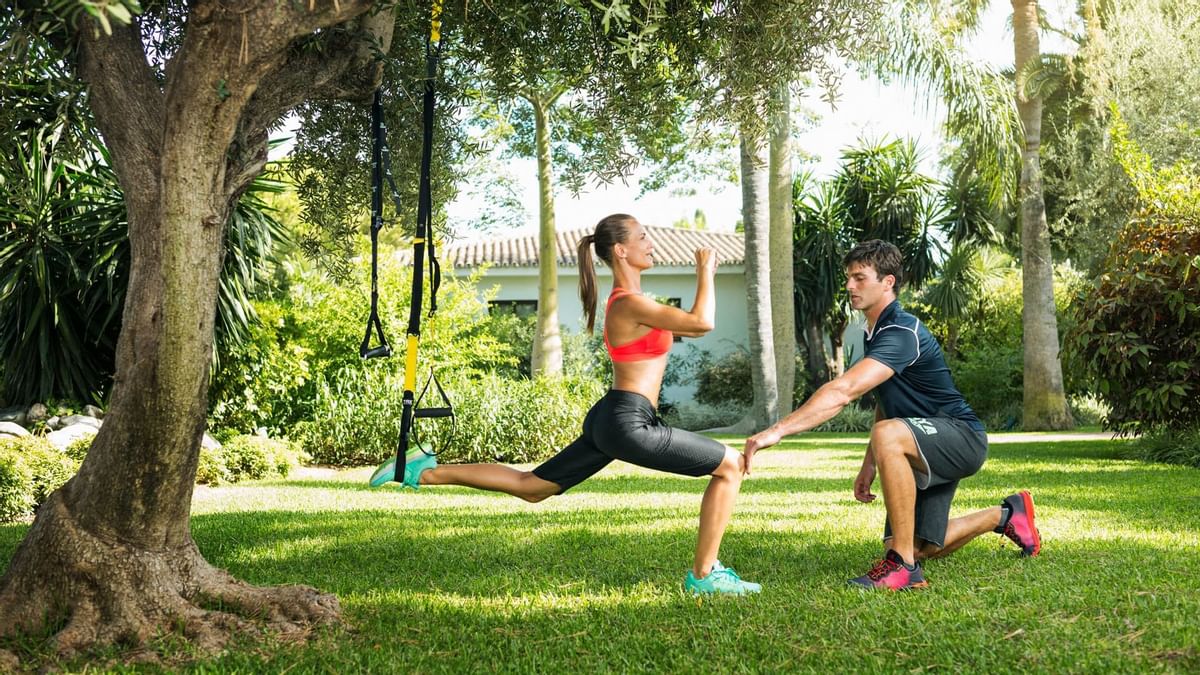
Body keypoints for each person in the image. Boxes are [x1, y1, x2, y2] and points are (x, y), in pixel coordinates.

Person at [370, 213, 761, 596]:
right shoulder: (627, 304)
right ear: (621, 250)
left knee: (533, 487)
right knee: (730, 466)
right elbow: (701, 322)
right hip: (628, 421)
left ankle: (420, 471)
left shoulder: (634, 302)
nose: (651, 243)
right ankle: (705, 576)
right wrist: (706, 269)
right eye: (643, 237)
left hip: (615, 418)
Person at [743, 239, 1040, 590]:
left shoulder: (901, 331)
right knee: (923, 545)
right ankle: (1006, 514)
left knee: (890, 446)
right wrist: (869, 463)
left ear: (888, 282)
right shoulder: (875, 331)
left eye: (860, 278)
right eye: (848, 278)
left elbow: (844, 391)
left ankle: (902, 568)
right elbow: (887, 403)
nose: (850, 286)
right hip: (918, 441)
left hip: (959, 436)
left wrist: (775, 431)